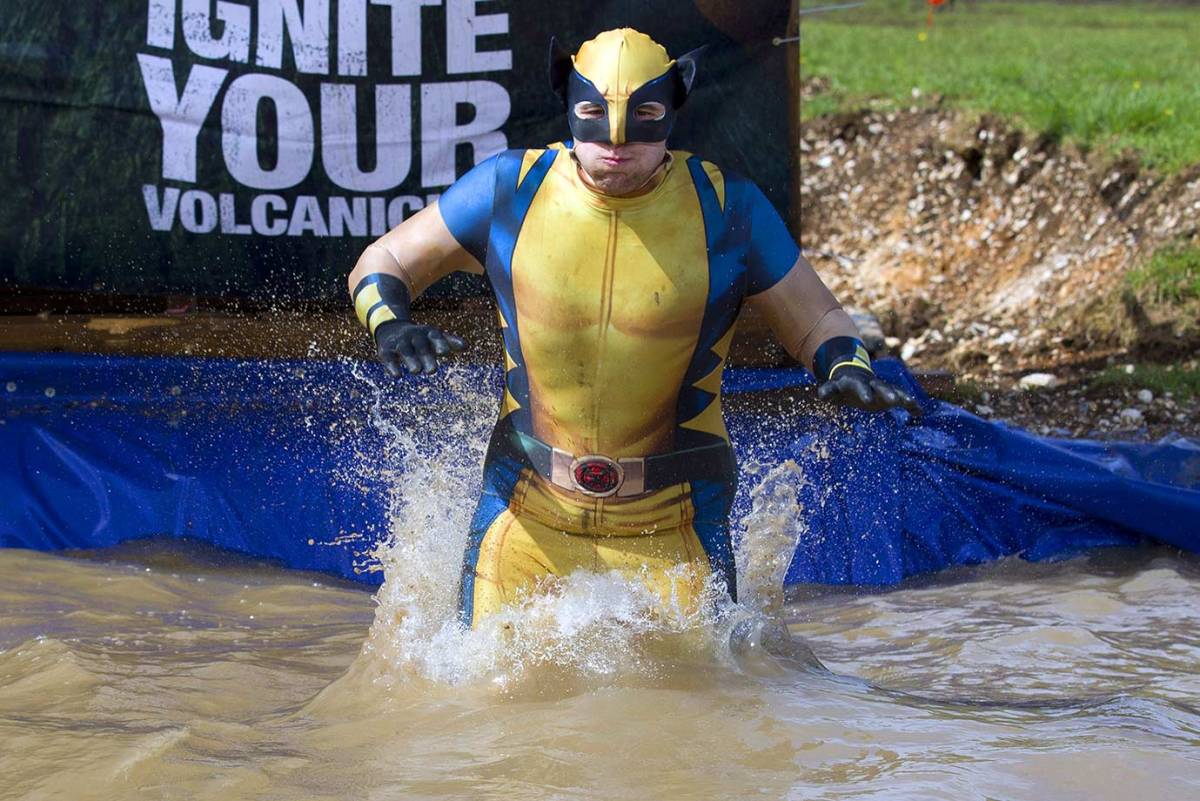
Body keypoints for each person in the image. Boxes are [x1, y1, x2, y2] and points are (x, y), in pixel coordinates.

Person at [347, 28, 918, 629]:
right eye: (594, 112)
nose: (616, 139)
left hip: (676, 519)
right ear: (567, 103)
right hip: (525, 512)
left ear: (674, 107)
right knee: (480, 700)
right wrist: (390, 323)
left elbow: (818, 317)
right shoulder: (511, 189)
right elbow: (384, 262)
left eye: (643, 113)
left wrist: (847, 365)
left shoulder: (728, 208)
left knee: (699, 704)